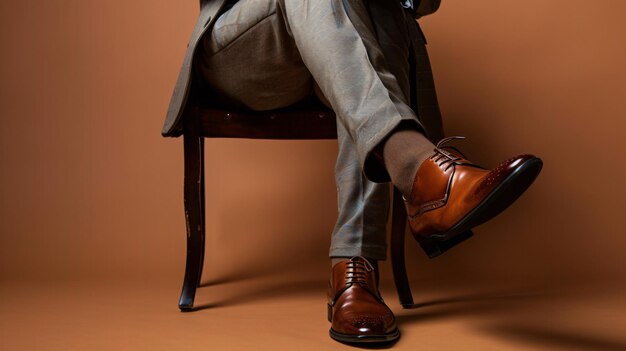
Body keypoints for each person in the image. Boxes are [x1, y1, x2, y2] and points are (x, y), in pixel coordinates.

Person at [162, 0, 543, 345]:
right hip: (248, 48)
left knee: (383, 15)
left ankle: (354, 268)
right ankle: (421, 174)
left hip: (338, 39)